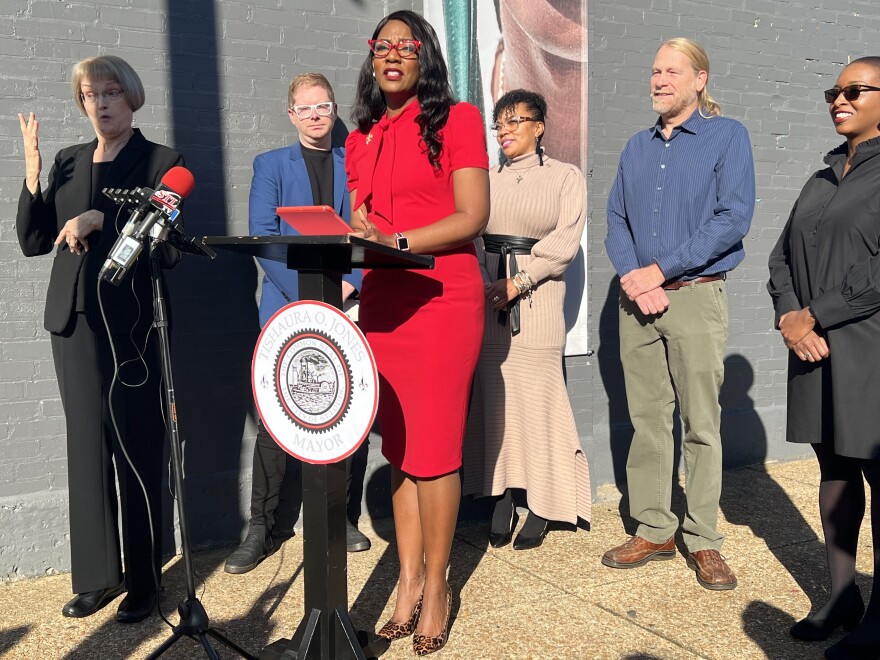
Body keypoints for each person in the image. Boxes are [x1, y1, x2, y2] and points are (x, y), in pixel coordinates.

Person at [16, 55, 183, 622]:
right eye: (91, 94)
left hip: (129, 327)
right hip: (73, 323)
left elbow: (170, 245)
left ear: (131, 96)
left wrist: (99, 220)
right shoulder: (66, 160)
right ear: (82, 102)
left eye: (112, 91)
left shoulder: (162, 161)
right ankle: (96, 576)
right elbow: (35, 241)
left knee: (136, 450)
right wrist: (32, 176)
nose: (102, 102)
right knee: (86, 451)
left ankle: (144, 580)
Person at [346, 10, 489, 656]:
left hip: (440, 297)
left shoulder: (455, 120)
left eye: (407, 45)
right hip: (383, 300)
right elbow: (363, 218)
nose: (394, 55)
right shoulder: (363, 135)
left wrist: (398, 240)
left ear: (426, 55)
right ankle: (405, 580)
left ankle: (438, 586)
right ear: (373, 59)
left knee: (434, 451)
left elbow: (471, 215)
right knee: (399, 449)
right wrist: (352, 233)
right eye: (384, 46)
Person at [602, 38, 755, 591]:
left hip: (694, 296)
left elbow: (731, 218)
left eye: (672, 71)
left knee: (701, 424)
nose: (659, 80)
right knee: (647, 419)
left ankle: (705, 539)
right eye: (654, 71)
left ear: (699, 80)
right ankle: (655, 527)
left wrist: (660, 270)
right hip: (637, 302)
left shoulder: (727, 136)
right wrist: (634, 277)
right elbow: (615, 220)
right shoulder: (635, 148)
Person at [224, 73, 370, 575]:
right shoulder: (270, 165)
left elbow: (373, 230)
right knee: (276, 419)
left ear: (334, 110)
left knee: (348, 416)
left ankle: (339, 519)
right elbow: (264, 238)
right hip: (288, 310)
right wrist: (311, 293)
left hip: (349, 305)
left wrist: (350, 287)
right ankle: (260, 529)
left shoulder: (356, 163)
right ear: (291, 113)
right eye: (305, 108)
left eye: (323, 106)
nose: (314, 115)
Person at [768, 57, 880, 659]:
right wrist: (790, 316)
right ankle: (842, 595)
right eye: (833, 91)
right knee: (834, 474)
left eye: (854, 90)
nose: (839, 99)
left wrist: (821, 312)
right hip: (814, 351)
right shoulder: (823, 176)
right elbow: (780, 257)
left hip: (870, 354)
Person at [462, 89, 591, 550]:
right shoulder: (485, 179)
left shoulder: (564, 176)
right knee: (496, 402)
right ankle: (501, 494)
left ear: (540, 127)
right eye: (500, 123)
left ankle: (544, 501)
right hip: (488, 302)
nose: (506, 130)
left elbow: (566, 239)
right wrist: (483, 284)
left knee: (539, 402)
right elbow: (471, 234)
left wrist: (521, 280)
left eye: (516, 121)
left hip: (536, 303)